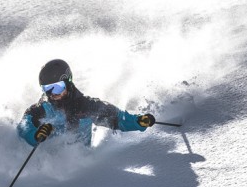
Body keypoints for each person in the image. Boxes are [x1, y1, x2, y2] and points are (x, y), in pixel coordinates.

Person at [18, 59, 155, 147]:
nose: (53, 93)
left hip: (81, 168)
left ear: (68, 82)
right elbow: (23, 126)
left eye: (57, 87)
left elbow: (117, 118)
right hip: (47, 169)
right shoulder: (42, 109)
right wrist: (35, 135)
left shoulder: (86, 106)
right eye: (47, 89)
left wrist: (137, 121)